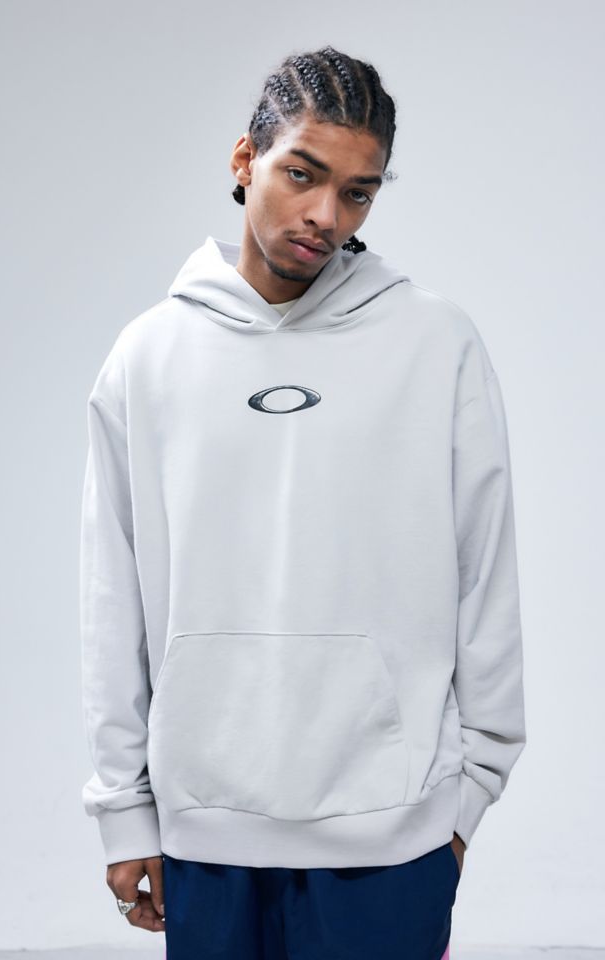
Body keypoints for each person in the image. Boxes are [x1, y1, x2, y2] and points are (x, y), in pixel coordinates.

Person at [79, 45, 527, 959]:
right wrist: (124, 810)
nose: (327, 215)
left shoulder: (435, 343)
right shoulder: (148, 356)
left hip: (392, 837)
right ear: (245, 160)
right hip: (206, 833)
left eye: (358, 192)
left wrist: (469, 796)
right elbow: (111, 597)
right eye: (302, 174)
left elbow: (486, 574)